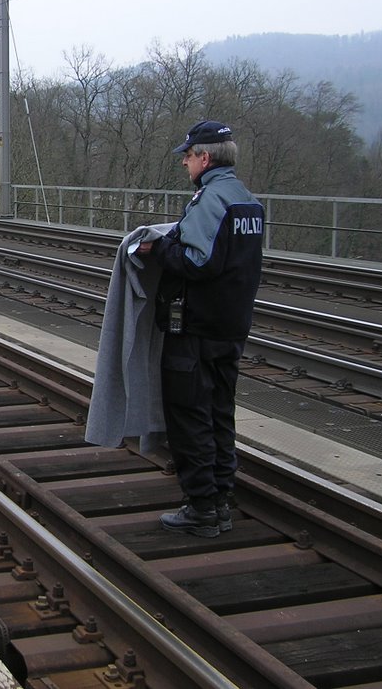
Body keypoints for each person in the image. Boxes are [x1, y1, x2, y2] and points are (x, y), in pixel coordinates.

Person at [135, 120, 264, 537]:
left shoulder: (212, 199)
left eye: (188, 156)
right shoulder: (247, 201)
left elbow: (197, 262)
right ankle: (221, 501)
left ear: (204, 157)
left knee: (190, 417)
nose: (185, 163)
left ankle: (202, 508)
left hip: (196, 331)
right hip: (230, 329)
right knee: (219, 415)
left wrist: (161, 247)